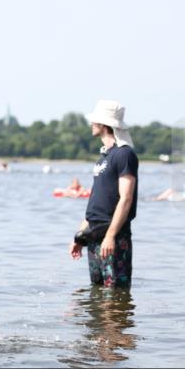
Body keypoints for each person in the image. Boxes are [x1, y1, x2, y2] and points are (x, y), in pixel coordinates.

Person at [69, 100, 138, 288]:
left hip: (113, 236)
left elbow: (126, 198)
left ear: (103, 124)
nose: (91, 124)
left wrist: (110, 236)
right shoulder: (103, 158)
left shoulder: (124, 155)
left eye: (94, 121)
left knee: (114, 293)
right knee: (97, 295)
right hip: (94, 234)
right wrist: (81, 235)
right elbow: (96, 200)